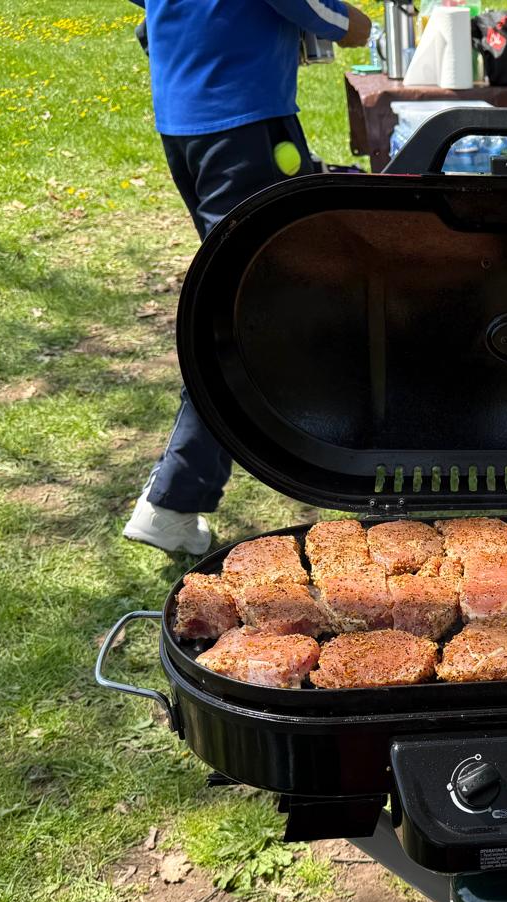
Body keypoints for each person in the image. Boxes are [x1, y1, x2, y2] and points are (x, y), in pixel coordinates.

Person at [123, 0, 370, 555]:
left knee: (251, 298)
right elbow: (316, 10)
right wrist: (356, 24)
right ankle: (174, 500)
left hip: (186, 121)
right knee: (245, 312)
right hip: (244, 122)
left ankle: (343, 424)